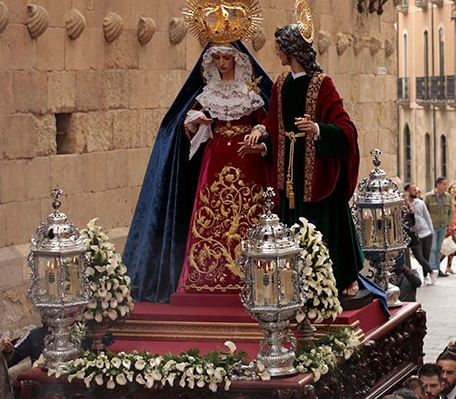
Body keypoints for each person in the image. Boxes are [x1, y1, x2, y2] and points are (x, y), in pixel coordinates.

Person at [123, 41, 273, 302]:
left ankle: (253, 276)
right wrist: (196, 121)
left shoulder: (250, 91)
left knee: (249, 215)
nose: (222, 63)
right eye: (217, 58)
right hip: (214, 162)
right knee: (211, 216)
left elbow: (268, 118)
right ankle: (204, 277)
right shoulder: (208, 93)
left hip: (247, 162)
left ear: (237, 59)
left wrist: (259, 131)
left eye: (226, 57)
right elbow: (185, 122)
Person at [244, 24, 364, 297]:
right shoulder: (280, 84)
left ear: (291, 50)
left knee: (328, 226)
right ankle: (292, 282)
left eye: (279, 48)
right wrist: (261, 145)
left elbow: (346, 129)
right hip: (290, 174)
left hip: (318, 172)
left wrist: (318, 129)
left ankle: (343, 277)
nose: (276, 53)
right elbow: (274, 126)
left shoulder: (323, 83)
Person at [423, 177, 453, 282]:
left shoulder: (447, 196)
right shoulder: (428, 196)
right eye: (444, 184)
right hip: (432, 226)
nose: (446, 186)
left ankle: (437, 268)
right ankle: (433, 269)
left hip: (443, 226)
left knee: (439, 248)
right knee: (433, 248)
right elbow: (424, 211)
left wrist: (448, 223)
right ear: (438, 185)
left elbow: (450, 211)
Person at [405, 184, 435, 284]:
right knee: (419, 257)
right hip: (414, 235)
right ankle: (432, 271)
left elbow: (427, 217)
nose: (416, 192)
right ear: (408, 191)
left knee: (426, 256)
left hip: (426, 233)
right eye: (413, 190)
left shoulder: (420, 203)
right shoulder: (405, 204)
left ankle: (426, 277)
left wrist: (431, 231)